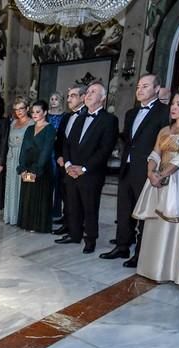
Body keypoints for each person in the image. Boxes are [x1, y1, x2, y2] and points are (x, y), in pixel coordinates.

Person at [132, 87, 179, 285]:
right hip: (157, 180)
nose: (173, 107)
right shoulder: (164, 129)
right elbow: (155, 153)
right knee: (155, 222)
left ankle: (170, 271)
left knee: (173, 222)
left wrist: (162, 175)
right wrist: (150, 173)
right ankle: (149, 267)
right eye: (173, 103)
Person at [100, 74, 170, 267]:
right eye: (138, 86)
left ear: (156, 89)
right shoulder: (131, 113)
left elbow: (165, 144)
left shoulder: (164, 112)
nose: (139, 90)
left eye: (145, 86)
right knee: (124, 210)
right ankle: (122, 246)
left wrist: (159, 170)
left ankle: (141, 253)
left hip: (147, 169)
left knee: (145, 214)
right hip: (127, 167)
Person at [55, 81, 119, 254]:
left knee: (90, 208)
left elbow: (104, 149)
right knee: (73, 205)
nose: (88, 95)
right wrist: (68, 165)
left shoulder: (109, 120)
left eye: (93, 92)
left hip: (91, 173)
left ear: (103, 99)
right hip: (72, 171)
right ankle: (74, 234)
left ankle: (90, 239)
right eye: (88, 92)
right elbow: (67, 143)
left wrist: (83, 168)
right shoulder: (80, 116)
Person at [16, 100, 57, 233]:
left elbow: (46, 151)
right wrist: (22, 168)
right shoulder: (29, 129)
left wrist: (36, 170)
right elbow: (23, 150)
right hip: (27, 167)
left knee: (39, 196)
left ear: (45, 112)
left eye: (38, 112)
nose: (34, 114)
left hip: (42, 169)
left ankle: (38, 225)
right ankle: (27, 223)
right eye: (32, 112)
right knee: (28, 194)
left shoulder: (50, 129)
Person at [52, 84, 86, 236]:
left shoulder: (86, 116)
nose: (69, 100)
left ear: (82, 97)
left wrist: (74, 164)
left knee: (77, 199)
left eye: (73, 96)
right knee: (65, 194)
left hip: (78, 166)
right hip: (63, 163)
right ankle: (66, 222)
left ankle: (76, 227)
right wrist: (60, 156)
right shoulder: (66, 116)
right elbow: (60, 139)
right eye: (69, 96)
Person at [4, 96, 34, 226]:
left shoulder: (33, 123)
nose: (19, 111)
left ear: (27, 108)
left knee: (26, 187)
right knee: (11, 186)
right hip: (11, 158)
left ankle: (24, 218)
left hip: (26, 159)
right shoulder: (12, 123)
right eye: (16, 109)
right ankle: (11, 216)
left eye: (21, 108)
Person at [47, 92, 67, 222]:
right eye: (52, 99)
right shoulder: (46, 115)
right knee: (46, 180)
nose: (54, 101)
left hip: (58, 151)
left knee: (58, 181)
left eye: (56, 99)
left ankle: (56, 209)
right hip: (47, 150)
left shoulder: (64, 116)